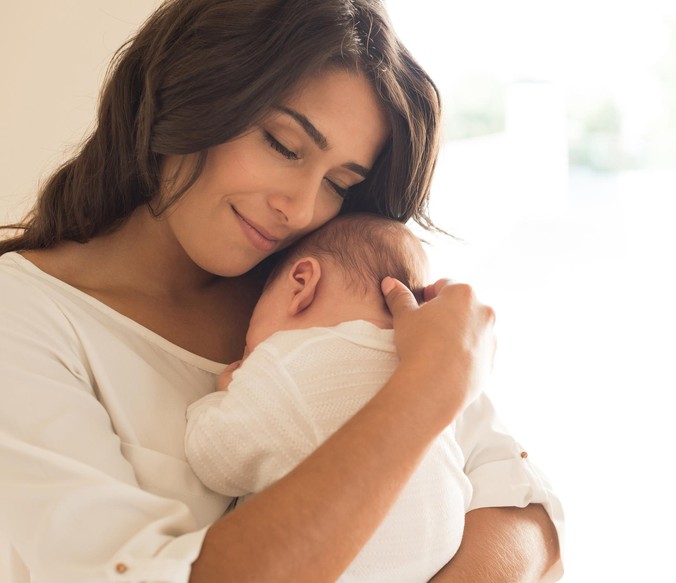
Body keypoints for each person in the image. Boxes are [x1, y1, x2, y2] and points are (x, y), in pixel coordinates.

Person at [0, 1, 563, 582]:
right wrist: (428, 389)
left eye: (339, 183)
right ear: (189, 91)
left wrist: (437, 386)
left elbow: (526, 518)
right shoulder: (24, 318)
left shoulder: (325, 292)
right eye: (283, 145)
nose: (299, 209)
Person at [186, 212, 474, 581]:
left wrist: (221, 398)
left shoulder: (288, 360)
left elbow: (216, 461)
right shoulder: (426, 365)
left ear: (301, 283)